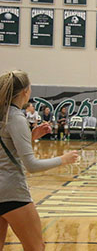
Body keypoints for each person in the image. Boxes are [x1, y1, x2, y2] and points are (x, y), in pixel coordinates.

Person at [0, 70, 78, 251]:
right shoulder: (16, 117)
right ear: (25, 92)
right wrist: (63, 159)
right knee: (36, 247)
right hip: (12, 192)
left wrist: (31, 136)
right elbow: (32, 166)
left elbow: (7, 147)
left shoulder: (3, 114)